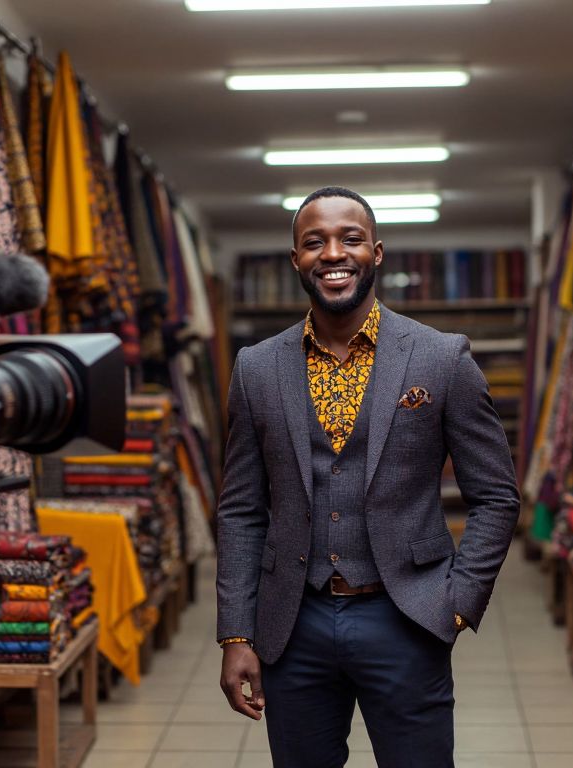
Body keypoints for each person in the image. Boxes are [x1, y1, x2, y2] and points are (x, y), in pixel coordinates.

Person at [215, 187, 521, 767]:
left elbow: (496, 496)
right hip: (292, 624)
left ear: (376, 252)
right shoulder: (256, 368)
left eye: (350, 239)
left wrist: (456, 603)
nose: (333, 253)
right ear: (296, 260)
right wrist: (236, 633)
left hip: (406, 616)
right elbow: (240, 510)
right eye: (315, 242)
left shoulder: (441, 358)